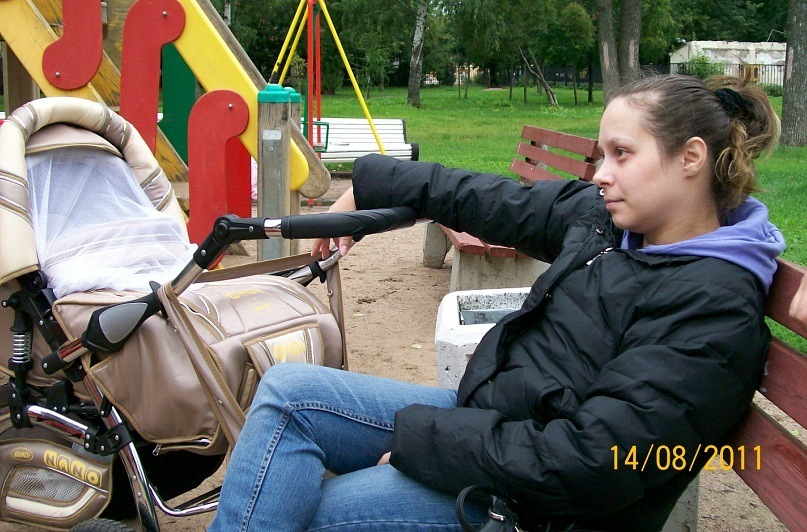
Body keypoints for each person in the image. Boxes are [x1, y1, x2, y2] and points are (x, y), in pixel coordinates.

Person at [209, 74, 785, 532]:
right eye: (602, 154)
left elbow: (595, 464)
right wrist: (372, 187)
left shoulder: (712, 307)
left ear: (691, 158)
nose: (602, 175)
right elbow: (489, 198)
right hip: (494, 426)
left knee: (308, 512)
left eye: (622, 154)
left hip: (534, 508)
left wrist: (424, 446)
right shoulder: (612, 225)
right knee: (287, 395)